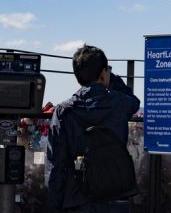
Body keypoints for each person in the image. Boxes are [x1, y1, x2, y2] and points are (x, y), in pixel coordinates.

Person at [46, 45, 140, 213]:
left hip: (77, 198)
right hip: (115, 194)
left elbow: (56, 166)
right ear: (103, 73)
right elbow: (134, 101)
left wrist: (54, 205)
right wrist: (111, 78)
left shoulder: (64, 112)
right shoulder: (119, 102)